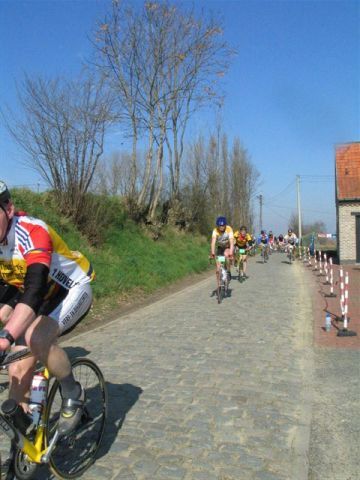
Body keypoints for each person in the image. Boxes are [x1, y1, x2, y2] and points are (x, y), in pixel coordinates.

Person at [0, 181, 95, 438]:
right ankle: (22, 442)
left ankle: (73, 393)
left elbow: (33, 290)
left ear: (8, 209)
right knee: (17, 369)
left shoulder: (32, 231)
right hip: (38, 293)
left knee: (36, 337)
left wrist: (5, 337)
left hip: (71, 289)